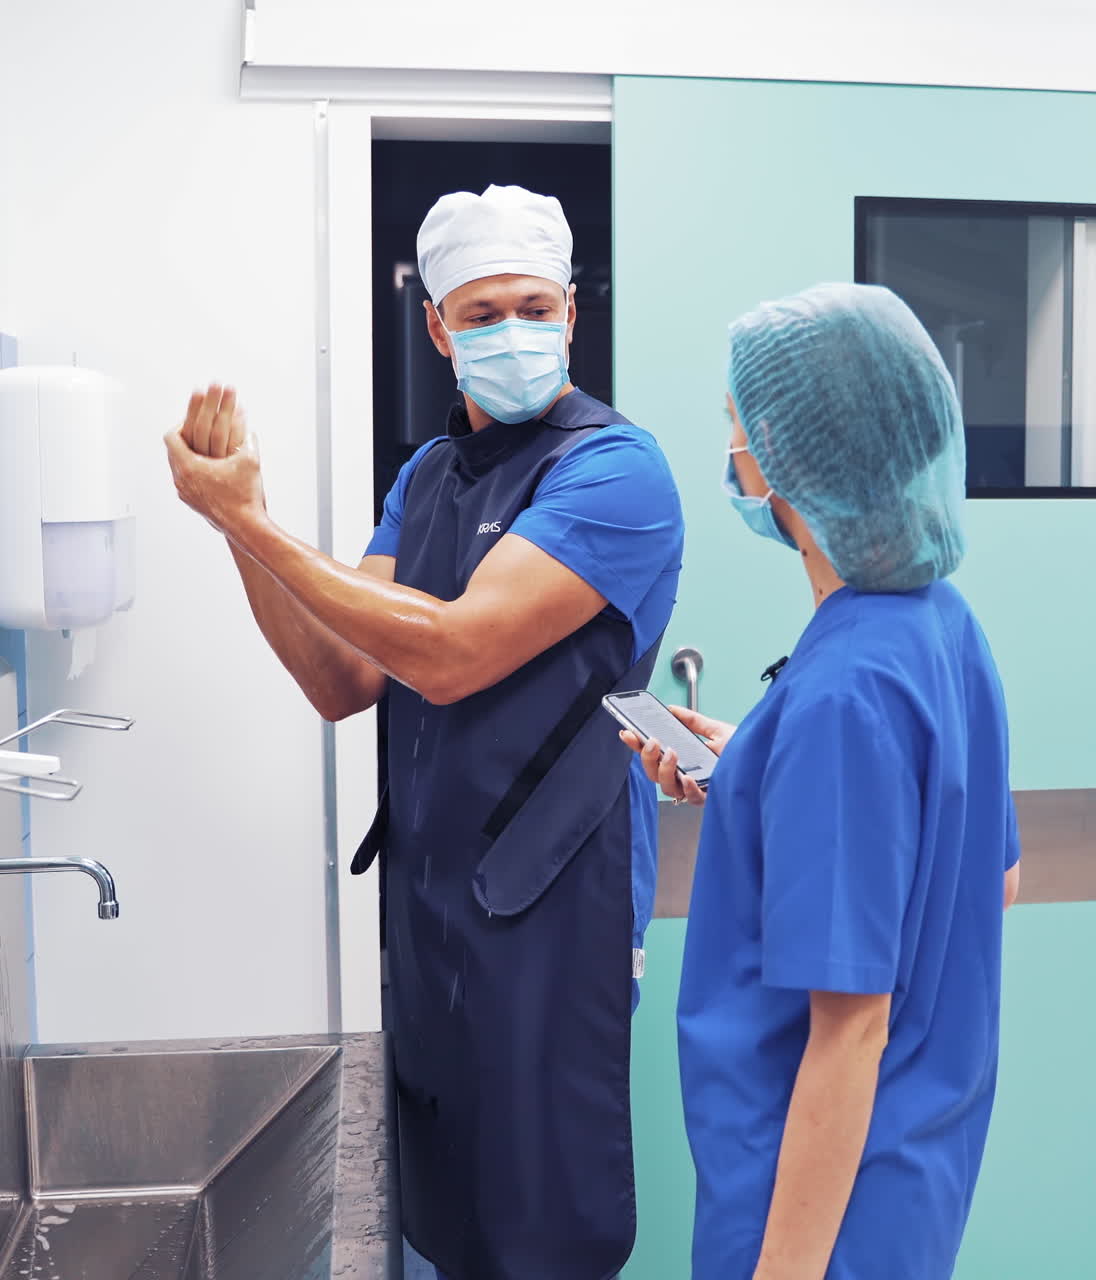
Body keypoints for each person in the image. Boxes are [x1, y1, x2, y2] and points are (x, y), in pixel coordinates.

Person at [165, 184, 684, 1280]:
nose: (513, 331)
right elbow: (340, 673)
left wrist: (253, 521)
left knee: (545, 1228)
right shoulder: (431, 474)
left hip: (551, 913)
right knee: (450, 1221)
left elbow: (448, 651)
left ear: (573, 311)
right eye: (482, 312)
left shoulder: (613, 472)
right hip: (435, 904)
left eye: (534, 305)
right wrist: (237, 534)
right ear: (438, 327)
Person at [622, 283, 1020, 1280]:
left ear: (794, 457)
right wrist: (757, 777)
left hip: (808, 1216)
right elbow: (984, 873)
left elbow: (847, 1032)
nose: (731, 456)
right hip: (907, 1179)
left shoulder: (839, 697)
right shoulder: (939, 625)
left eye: (734, 428)